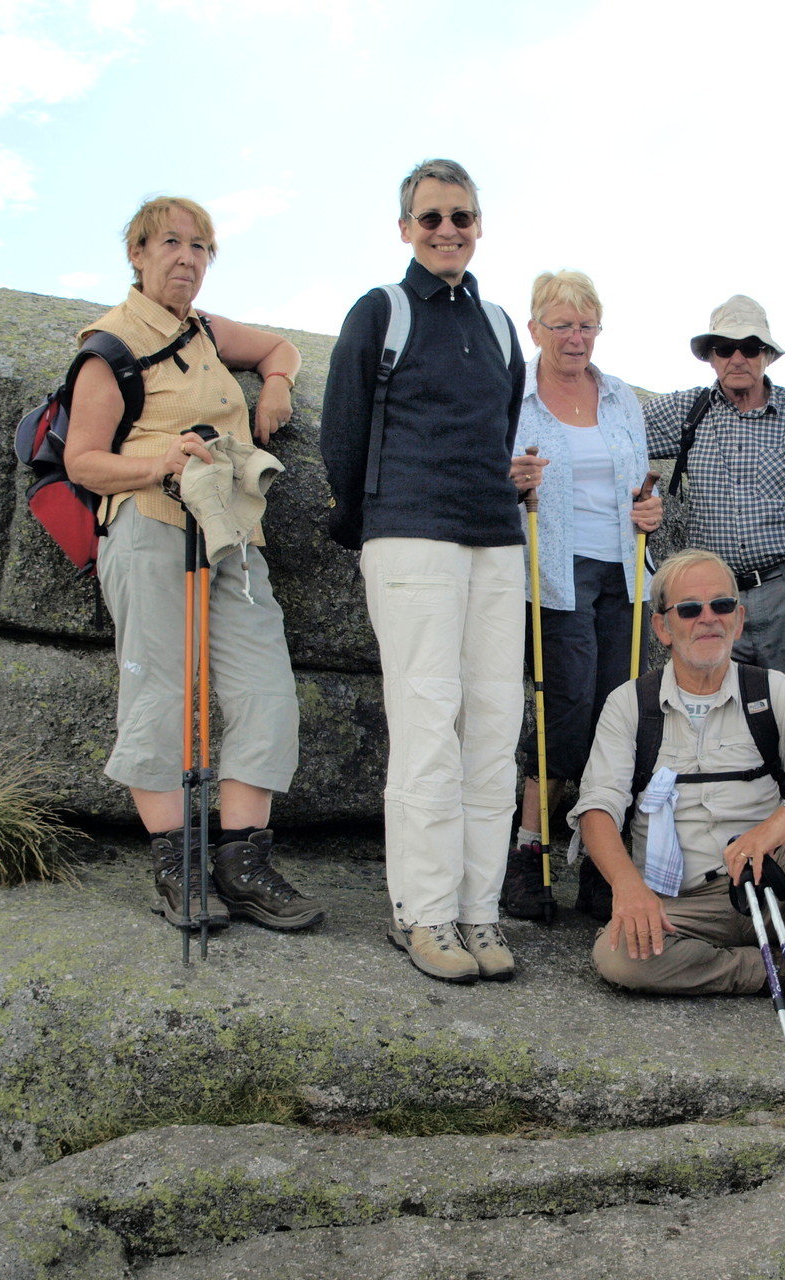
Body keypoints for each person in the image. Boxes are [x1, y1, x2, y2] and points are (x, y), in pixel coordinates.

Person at [64, 196, 322, 933]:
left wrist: (275, 385)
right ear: (138, 255)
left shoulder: (206, 332)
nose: (187, 258)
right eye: (170, 243)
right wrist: (159, 462)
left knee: (266, 692)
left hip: (233, 536)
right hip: (150, 529)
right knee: (162, 696)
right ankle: (178, 866)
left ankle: (242, 864)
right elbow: (82, 460)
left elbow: (282, 348)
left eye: (200, 246)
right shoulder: (109, 347)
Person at [320, 159, 528, 985]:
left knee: (492, 730)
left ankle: (480, 912)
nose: (449, 230)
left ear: (479, 226)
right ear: (406, 227)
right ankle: (426, 912)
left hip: (493, 540)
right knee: (427, 723)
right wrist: (368, 525)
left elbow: (501, 430)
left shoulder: (504, 326)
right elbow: (341, 431)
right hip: (411, 538)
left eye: (462, 217)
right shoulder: (384, 311)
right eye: (433, 217)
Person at [572, 550, 785, 1066]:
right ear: (662, 627)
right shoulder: (630, 703)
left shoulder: (770, 690)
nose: (708, 618)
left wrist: (782, 818)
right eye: (689, 609)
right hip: (684, 905)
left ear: (739, 618)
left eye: (722, 605)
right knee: (617, 957)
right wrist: (629, 889)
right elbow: (598, 811)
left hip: (776, 880)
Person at [500, 270, 663, 919]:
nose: (575, 337)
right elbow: (488, 475)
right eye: (561, 324)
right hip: (555, 571)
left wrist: (652, 512)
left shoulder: (620, 395)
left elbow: (641, 486)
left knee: (618, 714)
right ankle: (529, 855)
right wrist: (511, 481)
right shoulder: (517, 397)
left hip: (626, 573)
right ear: (535, 328)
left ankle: (604, 865)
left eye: (586, 325)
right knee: (564, 709)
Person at [641, 297, 785, 713]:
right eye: (725, 348)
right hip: (712, 601)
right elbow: (615, 433)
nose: (738, 357)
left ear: (768, 355)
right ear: (711, 357)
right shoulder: (687, 412)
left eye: (751, 347)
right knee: (718, 722)